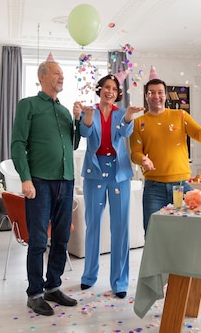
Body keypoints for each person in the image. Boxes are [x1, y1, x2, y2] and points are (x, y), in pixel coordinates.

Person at [129, 69, 201, 300]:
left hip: (182, 186)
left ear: (165, 95)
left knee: (194, 234)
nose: (156, 96)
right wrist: (143, 159)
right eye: (151, 93)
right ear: (146, 96)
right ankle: (157, 283)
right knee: (154, 236)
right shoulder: (139, 123)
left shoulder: (180, 116)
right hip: (154, 189)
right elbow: (135, 152)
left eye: (160, 92)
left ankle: (197, 283)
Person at [10, 56, 82, 317]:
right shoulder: (28, 105)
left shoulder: (64, 111)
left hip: (66, 180)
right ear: (42, 77)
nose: (61, 77)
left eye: (62, 74)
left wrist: (76, 120)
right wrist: (25, 178)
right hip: (40, 181)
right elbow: (17, 143)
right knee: (39, 240)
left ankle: (53, 286)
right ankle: (35, 293)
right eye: (56, 73)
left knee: (61, 238)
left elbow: (72, 145)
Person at [77, 74, 145, 299]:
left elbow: (126, 132)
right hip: (94, 172)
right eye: (106, 87)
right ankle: (89, 276)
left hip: (119, 173)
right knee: (93, 225)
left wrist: (127, 116)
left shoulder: (122, 113)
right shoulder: (91, 111)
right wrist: (87, 117)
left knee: (120, 228)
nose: (110, 91)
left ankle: (120, 281)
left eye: (114, 89)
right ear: (100, 89)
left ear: (118, 93)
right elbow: (85, 134)